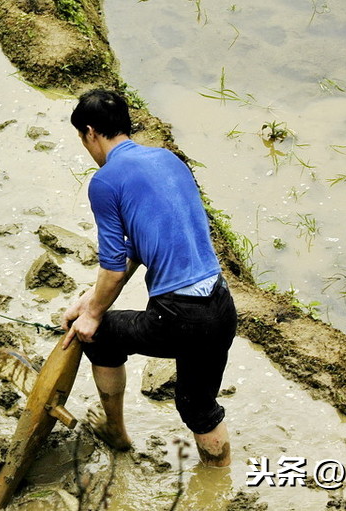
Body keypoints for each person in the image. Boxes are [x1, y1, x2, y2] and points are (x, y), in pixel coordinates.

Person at [61, 88, 236, 466]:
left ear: (90, 132)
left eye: (82, 139)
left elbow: (113, 263)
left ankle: (116, 432)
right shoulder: (168, 160)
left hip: (180, 315)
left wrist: (91, 316)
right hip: (220, 305)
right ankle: (220, 478)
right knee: (198, 406)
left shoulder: (105, 181)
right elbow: (139, 248)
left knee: (102, 338)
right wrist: (90, 301)